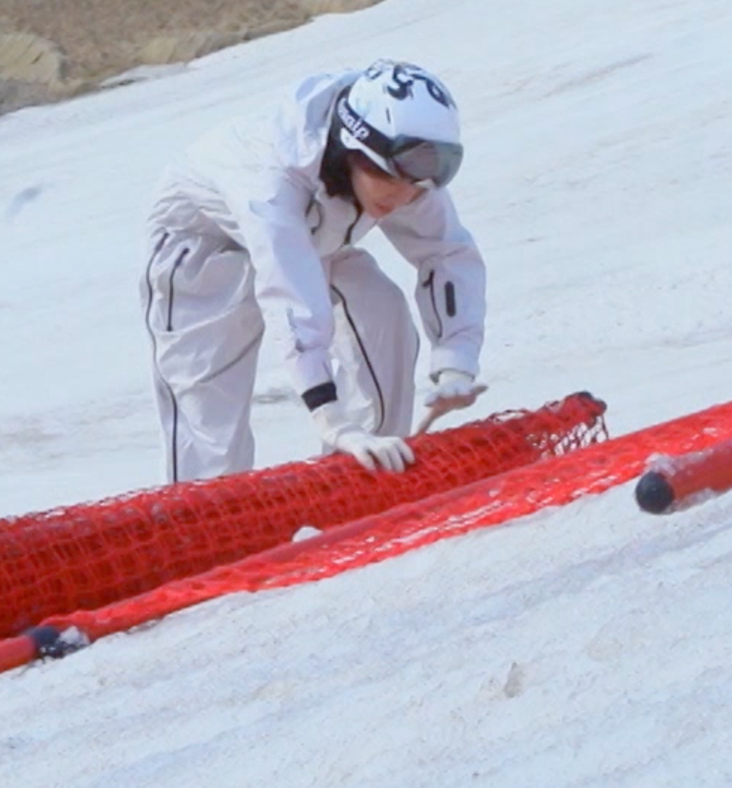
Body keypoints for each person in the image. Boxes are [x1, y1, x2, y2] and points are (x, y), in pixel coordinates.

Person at [141, 61, 487, 483]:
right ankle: (200, 535)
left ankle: (362, 483)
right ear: (358, 151)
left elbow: (447, 252)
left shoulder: (403, 171)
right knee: (211, 429)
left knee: (382, 314)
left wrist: (456, 361)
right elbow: (293, 300)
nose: (407, 196)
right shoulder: (271, 179)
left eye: (421, 183)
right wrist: (332, 420)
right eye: (396, 180)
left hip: (315, 232)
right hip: (205, 248)